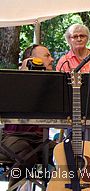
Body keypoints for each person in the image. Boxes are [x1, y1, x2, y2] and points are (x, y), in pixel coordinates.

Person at [55, 23, 90, 168]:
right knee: (74, 157)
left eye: (82, 36)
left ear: (87, 38)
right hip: (74, 116)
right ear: (69, 40)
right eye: (75, 36)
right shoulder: (64, 61)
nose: (79, 39)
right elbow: (59, 90)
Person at [0, 45, 56, 188]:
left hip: (41, 138)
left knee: (66, 154)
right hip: (13, 136)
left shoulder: (53, 83)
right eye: (47, 56)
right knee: (27, 155)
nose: (52, 59)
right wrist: (25, 72)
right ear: (32, 59)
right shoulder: (14, 80)